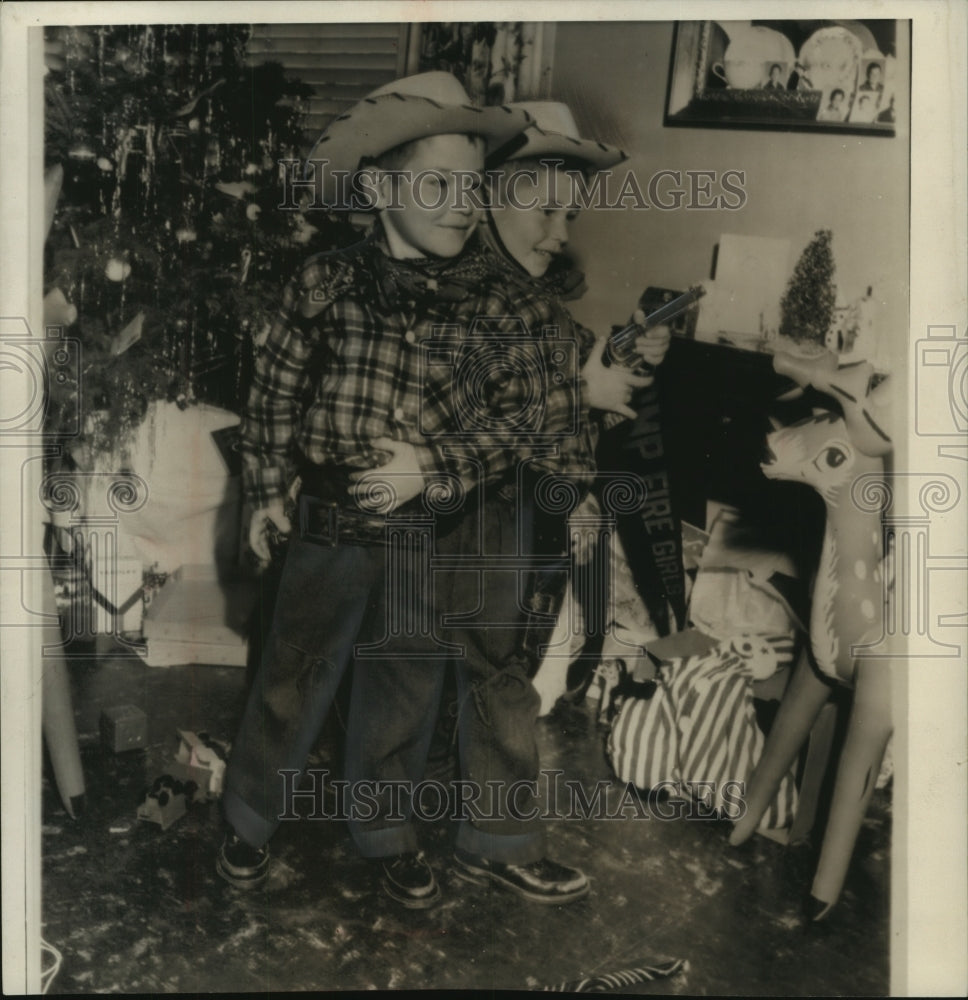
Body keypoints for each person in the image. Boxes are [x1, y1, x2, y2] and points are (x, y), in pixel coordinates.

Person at [217, 71, 534, 891]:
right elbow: (275, 395)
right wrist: (260, 491)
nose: (462, 203)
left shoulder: (492, 303)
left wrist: (430, 463)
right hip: (329, 520)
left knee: (404, 688)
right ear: (378, 187)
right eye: (437, 184)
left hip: (432, 528)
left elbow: (516, 419)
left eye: (474, 186)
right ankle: (250, 815)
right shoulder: (323, 283)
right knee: (293, 677)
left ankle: (386, 832)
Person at [341, 102, 659, 907]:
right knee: (405, 667)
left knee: (502, 674)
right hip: (445, 514)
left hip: (520, 514)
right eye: (544, 208)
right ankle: (384, 834)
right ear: (488, 200)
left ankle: (498, 833)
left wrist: (609, 368)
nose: (559, 230)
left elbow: (553, 395)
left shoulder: (537, 299)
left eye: (568, 214)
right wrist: (574, 386)